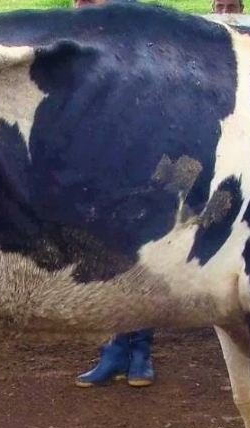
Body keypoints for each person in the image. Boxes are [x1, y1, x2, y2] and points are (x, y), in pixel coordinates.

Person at [70, 0, 156, 389]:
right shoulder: (75, 45)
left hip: (144, 163)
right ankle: (118, 351)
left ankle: (139, 353)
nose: (81, 5)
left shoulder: (140, 36)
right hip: (99, 168)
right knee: (111, 261)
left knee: (143, 260)